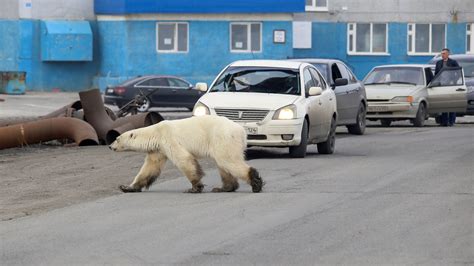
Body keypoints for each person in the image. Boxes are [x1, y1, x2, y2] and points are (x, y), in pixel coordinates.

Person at [434, 48, 459, 126]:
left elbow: (458, 73)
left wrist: (454, 81)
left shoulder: (453, 62)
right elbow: (436, 74)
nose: (442, 55)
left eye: (444, 53)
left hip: (451, 86)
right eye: (442, 53)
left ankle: (451, 121)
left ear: (448, 54)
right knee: (443, 104)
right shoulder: (438, 63)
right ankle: (444, 122)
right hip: (442, 86)